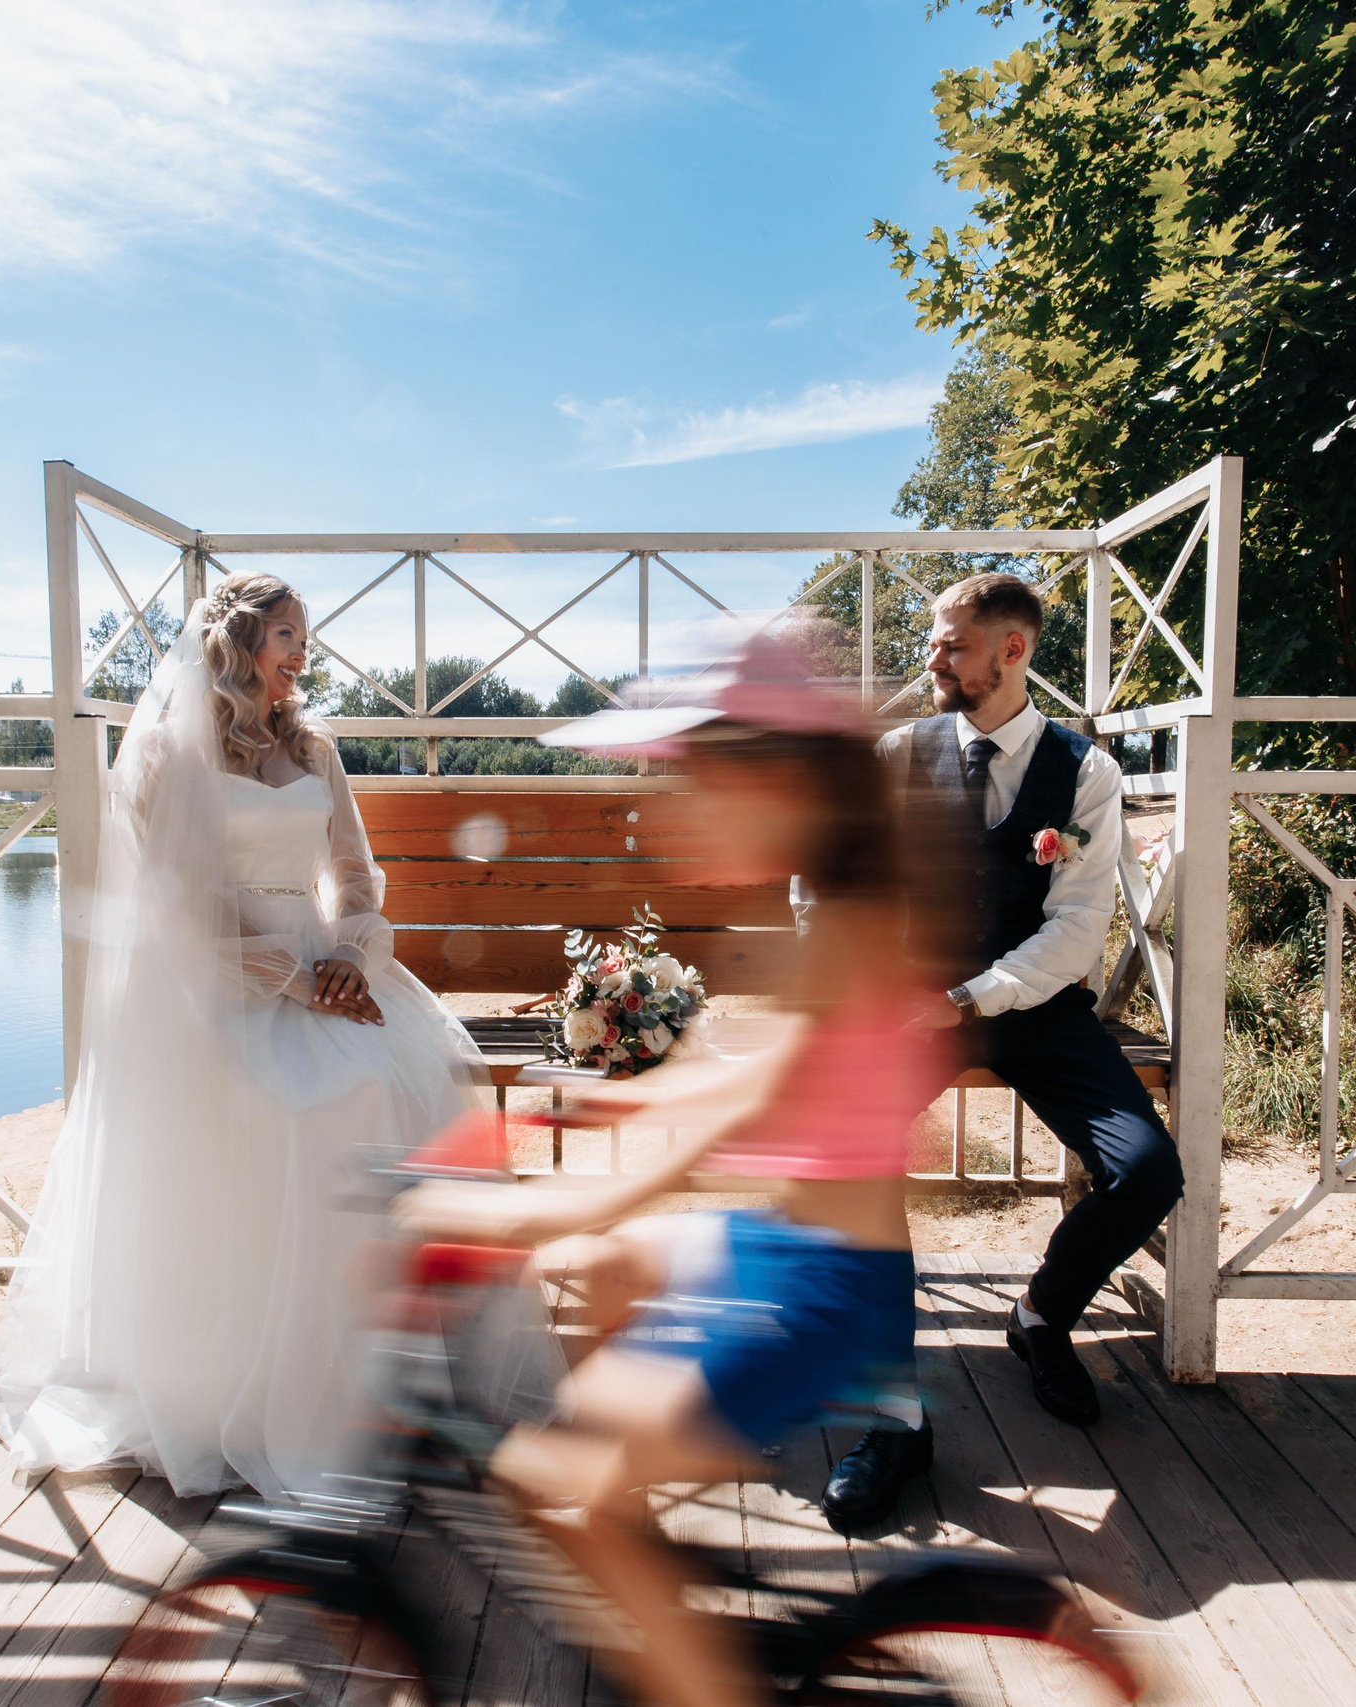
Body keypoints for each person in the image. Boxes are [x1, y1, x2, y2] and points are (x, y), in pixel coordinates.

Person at [398, 635, 941, 1707]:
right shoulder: (834, 903)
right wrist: (626, 1096)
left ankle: (684, 1658)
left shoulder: (854, 926)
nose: (670, 802)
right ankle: (648, 1558)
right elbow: (774, 1077)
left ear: (780, 780)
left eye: (694, 777)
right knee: (606, 1271)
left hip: (823, 1289)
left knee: (559, 1498)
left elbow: (733, 1117)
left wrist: (545, 1208)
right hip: (787, 1246)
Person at [0, 571, 485, 1498]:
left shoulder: (316, 746)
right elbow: (183, 907)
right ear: (242, 642)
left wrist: (347, 959)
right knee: (296, 1105)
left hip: (324, 975)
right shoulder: (172, 756)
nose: (305, 653)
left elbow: (357, 876)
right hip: (217, 987)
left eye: (308, 634)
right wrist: (295, 980)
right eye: (290, 634)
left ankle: (367, 1385)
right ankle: (249, 1391)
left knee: (401, 1085)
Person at [820, 569, 1183, 1531]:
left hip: (1031, 1004)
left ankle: (1041, 1317)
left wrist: (968, 998)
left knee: (1148, 1171)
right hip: (910, 1002)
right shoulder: (901, 756)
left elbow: (1075, 929)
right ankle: (894, 1415)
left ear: (1012, 651)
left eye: (950, 643)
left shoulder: (1086, 773)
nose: (932, 657)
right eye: (935, 640)